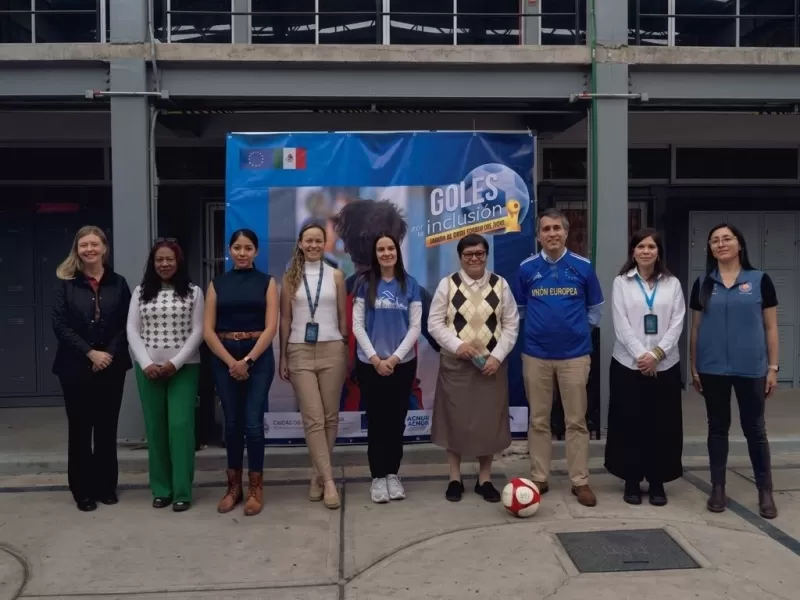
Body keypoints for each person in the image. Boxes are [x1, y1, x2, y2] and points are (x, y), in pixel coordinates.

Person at [515, 208, 603, 507]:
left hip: (575, 356)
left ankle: (580, 481)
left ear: (566, 232)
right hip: (536, 355)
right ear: (538, 235)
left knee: (576, 421)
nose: (552, 233)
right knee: (538, 420)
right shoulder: (526, 269)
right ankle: (540, 477)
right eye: (546, 229)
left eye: (557, 228)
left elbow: (595, 311)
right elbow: (520, 310)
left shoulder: (583, 267)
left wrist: (575, 332)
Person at [689, 223, 779, 519]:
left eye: (727, 238)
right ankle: (718, 487)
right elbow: (696, 329)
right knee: (717, 428)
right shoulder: (703, 283)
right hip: (712, 367)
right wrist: (694, 366)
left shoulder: (759, 280)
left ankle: (765, 490)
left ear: (739, 244)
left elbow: (771, 326)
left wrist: (773, 367)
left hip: (751, 368)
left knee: (755, 429)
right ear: (710, 248)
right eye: (715, 240)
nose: (721, 244)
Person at [428, 234, 519, 503]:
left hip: (490, 366)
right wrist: (457, 346)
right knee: (453, 421)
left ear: (486, 255)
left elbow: (511, 324)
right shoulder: (447, 284)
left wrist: (497, 357)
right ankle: (454, 479)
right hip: (456, 365)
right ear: (460, 257)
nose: (474, 259)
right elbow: (434, 323)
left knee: (488, 423)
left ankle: (485, 480)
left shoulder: (500, 285)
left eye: (479, 253)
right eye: (468, 255)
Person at [331, 198, 440, 413]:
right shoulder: (414, 291)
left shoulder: (338, 293)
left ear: (349, 245)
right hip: (391, 398)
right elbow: (445, 344)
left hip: (354, 404)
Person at [51, 225, 132, 512]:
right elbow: (60, 325)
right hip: (75, 367)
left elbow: (127, 323)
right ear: (77, 249)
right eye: (83, 245)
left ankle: (106, 486)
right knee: (80, 430)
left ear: (104, 248)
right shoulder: (66, 283)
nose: (89, 249)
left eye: (94, 244)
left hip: (111, 366)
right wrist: (90, 353)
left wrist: (107, 354)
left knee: (107, 429)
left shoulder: (118, 283)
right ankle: (82, 491)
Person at [604, 229, 685, 506]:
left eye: (651, 246)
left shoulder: (672, 284)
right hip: (628, 365)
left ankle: (657, 480)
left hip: (665, 365)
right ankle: (631, 480)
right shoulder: (621, 283)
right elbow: (621, 324)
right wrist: (643, 356)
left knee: (662, 425)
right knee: (629, 424)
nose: (646, 251)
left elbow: (677, 322)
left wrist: (657, 355)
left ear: (658, 252)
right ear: (633, 251)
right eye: (641, 246)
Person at [203, 229, 278, 517]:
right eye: (237, 248)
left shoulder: (267, 282)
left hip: (258, 358)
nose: (242, 253)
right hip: (224, 359)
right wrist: (231, 362)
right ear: (229, 250)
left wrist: (247, 360)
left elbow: (271, 327)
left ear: (256, 251)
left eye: (248, 248)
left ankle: (256, 488)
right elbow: (208, 331)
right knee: (232, 424)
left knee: (253, 424)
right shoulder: (217, 284)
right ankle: (233, 487)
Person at [127, 238, 204, 512]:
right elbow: (132, 330)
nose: (164, 264)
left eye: (169, 259)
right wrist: (146, 363)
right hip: (148, 370)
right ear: (153, 263)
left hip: (184, 368)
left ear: (178, 262)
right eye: (159, 259)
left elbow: (198, 331)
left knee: (180, 428)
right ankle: (162, 489)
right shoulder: (140, 292)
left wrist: (175, 363)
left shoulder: (194, 292)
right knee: (156, 429)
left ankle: (182, 491)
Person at [279, 222, 348, 510]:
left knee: (330, 418)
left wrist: (343, 346)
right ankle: (329, 482)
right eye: (308, 240)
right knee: (313, 418)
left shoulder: (336, 275)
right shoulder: (289, 278)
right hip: (299, 351)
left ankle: (317, 476)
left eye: (318, 240)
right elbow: (285, 319)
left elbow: (343, 315)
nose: (313, 245)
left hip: (332, 349)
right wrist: (283, 356)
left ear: (324, 243)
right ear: (300, 243)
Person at [352, 234, 422, 503]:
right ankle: (378, 477)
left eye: (391, 248)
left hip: (401, 365)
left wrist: (393, 359)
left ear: (397, 251)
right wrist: (375, 359)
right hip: (370, 365)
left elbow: (415, 328)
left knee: (396, 421)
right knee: (377, 421)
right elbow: (357, 326)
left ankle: (393, 474)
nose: (386, 253)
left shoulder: (410, 284)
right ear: (375, 254)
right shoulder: (364, 283)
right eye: (381, 249)